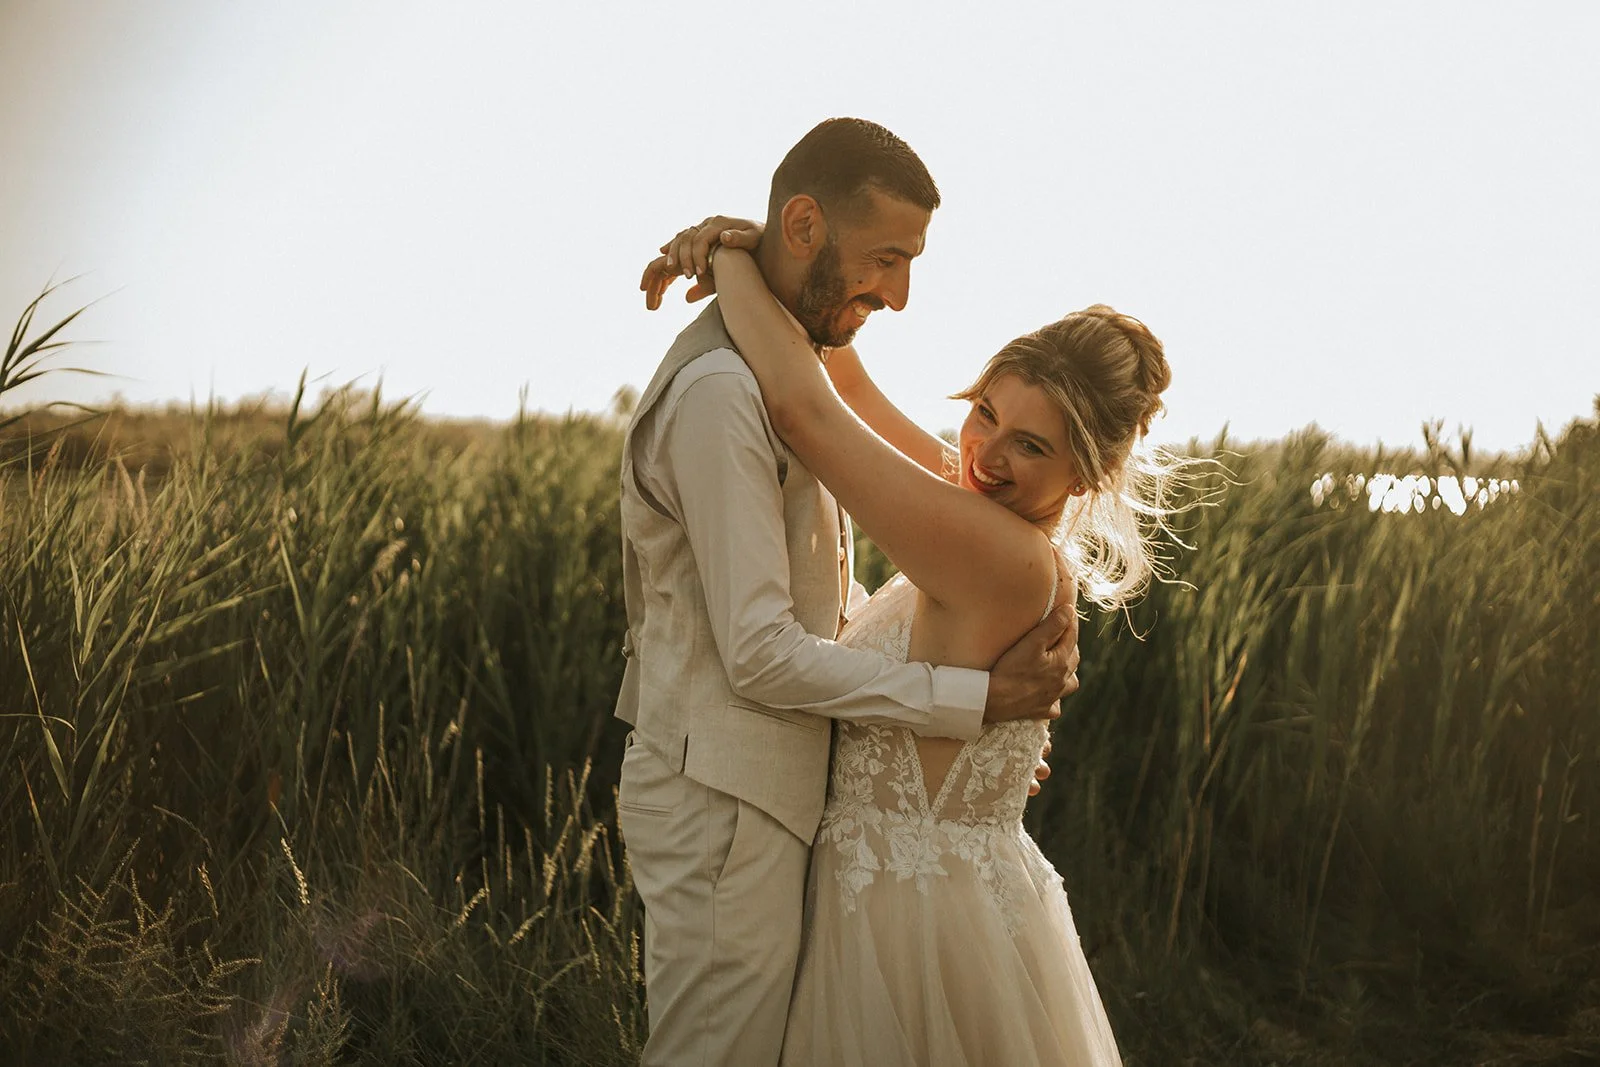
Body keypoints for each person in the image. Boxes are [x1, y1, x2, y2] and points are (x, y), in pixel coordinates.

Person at [645, 218, 1185, 1065]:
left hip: (909, 923)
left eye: (1030, 444)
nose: (985, 454)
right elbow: (848, 385)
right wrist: (773, 251)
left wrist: (728, 260)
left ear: (1085, 473)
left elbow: (806, 410)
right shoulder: (985, 512)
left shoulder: (997, 551)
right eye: (984, 413)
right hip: (908, 892)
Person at [614, 117, 1080, 1067]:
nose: (898, 294)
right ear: (803, 226)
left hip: (769, 801)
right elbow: (759, 652)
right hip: (724, 805)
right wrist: (968, 700)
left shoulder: (785, 362)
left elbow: (817, 598)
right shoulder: (724, 394)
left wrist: (972, 749)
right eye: (885, 259)